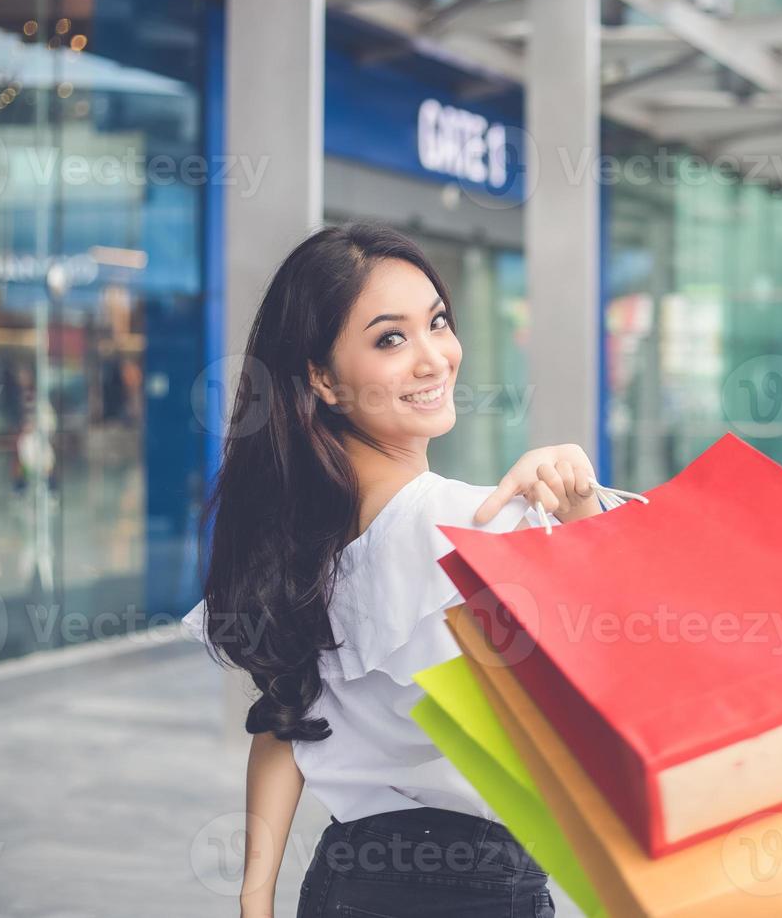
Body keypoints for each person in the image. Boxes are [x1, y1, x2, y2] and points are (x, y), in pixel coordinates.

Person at [184, 222, 606, 918]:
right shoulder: (476, 524)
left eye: (436, 322)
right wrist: (581, 513)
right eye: (390, 338)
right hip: (478, 888)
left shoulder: (300, 539)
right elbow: (631, 663)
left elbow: (286, 720)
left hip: (347, 880)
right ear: (321, 378)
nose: (433, 358)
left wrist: (254, 900)